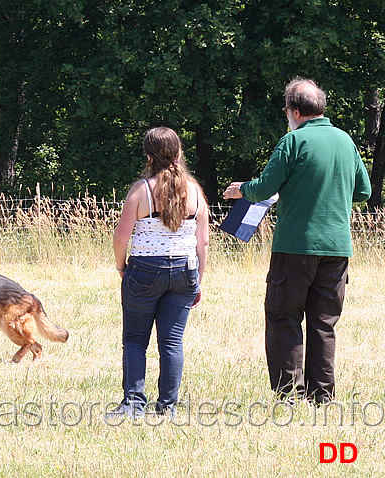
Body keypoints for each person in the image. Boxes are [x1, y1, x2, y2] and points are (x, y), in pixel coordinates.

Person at [223, 78, 371, 405]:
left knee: (284, 316)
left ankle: (289, 395)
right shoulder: (345, 141)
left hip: (295, 246)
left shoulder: (293, 142)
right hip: (336, 248)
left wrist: (240, 190)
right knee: (323, 324)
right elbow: (364, 192)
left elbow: (263, 188)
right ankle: (322, 396)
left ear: (294, 110)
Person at [108, 126, 209, 418]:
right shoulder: (195, 191)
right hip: (185, 270)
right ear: (179, 153)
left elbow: (121, 237)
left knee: (135, 339)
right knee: (172, 341)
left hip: (145, 269)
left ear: (148, 155)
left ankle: (133, 404)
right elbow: (203, 241)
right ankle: (168, 407)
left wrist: (120, 266)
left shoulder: (142, 190)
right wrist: (197, 281)